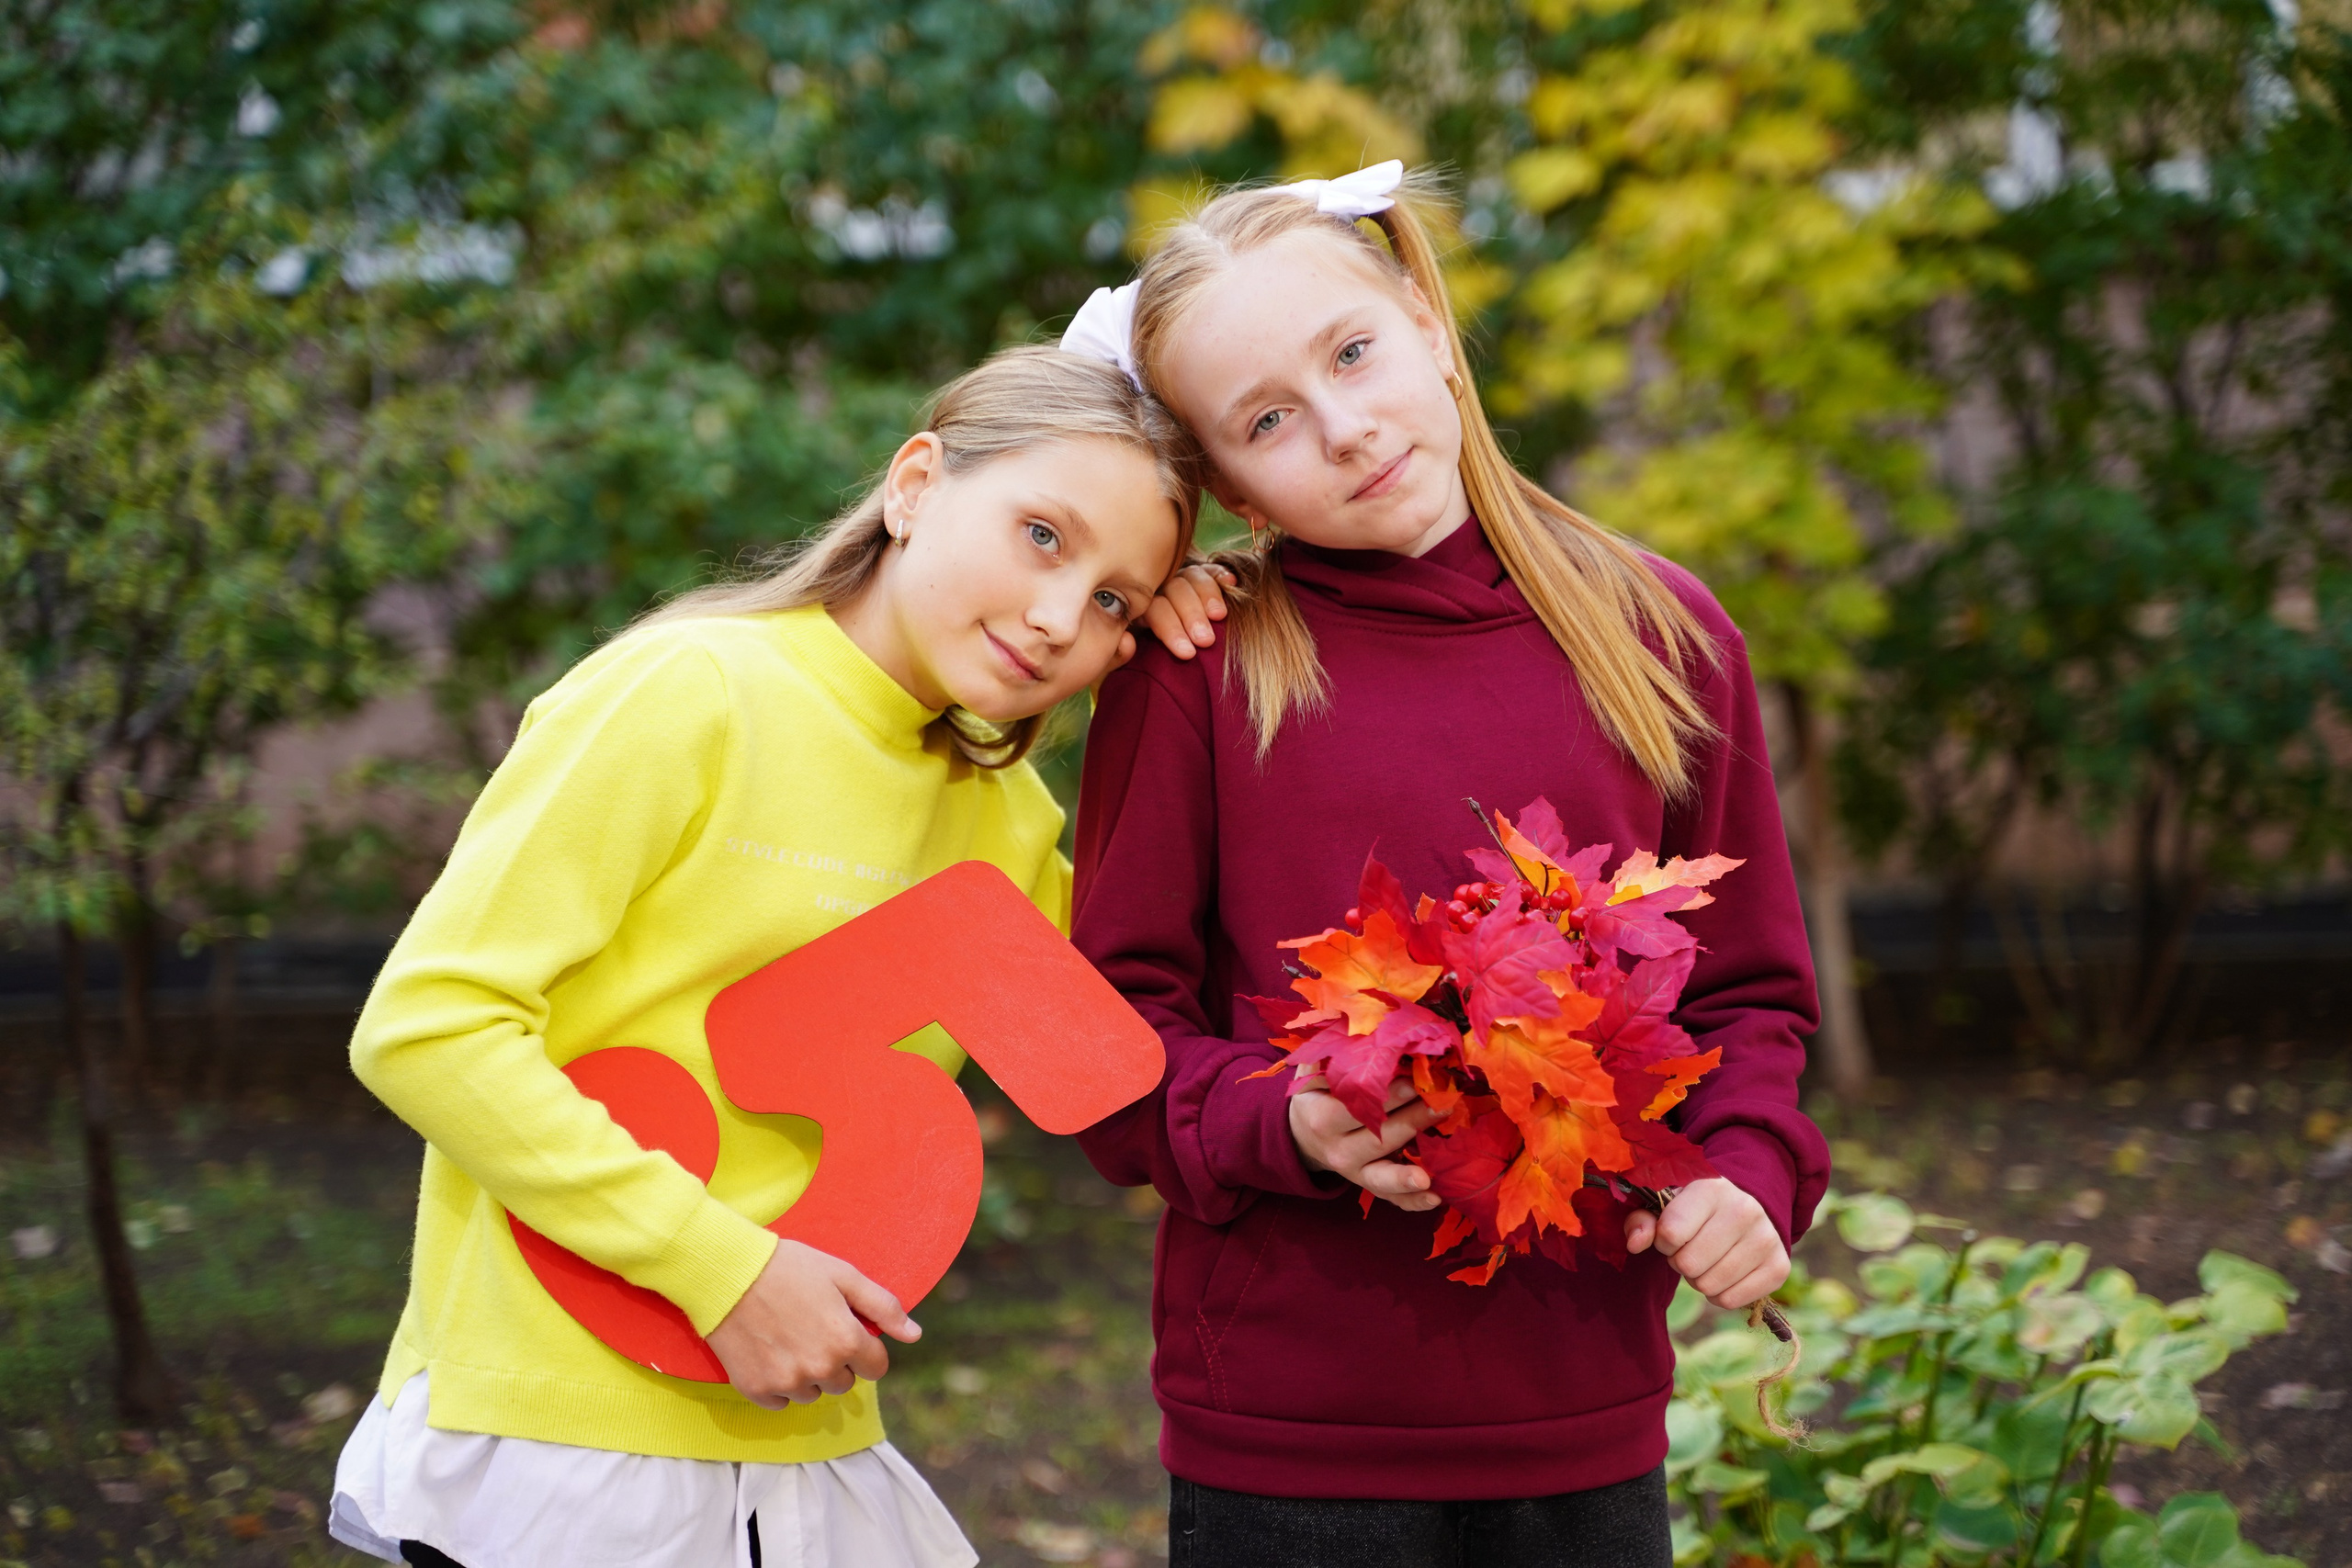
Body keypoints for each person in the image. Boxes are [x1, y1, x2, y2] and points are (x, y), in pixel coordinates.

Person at [1066, 164, 1832, 1567]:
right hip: (1291, 1430)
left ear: (1425, 317)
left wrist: (1744, 1171)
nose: (1345, 431)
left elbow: (1751, 1002)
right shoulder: (1203, 671)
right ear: (1220, 478)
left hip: (1581, 1394)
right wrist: (1276, 1124)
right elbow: (1108, 1036)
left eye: (1352, 353)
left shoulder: (1661, 634)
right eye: (1268, 422)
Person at [329, 345, 1204, 1568]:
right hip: (557, 1436)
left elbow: (1143, 1054)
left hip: (801, 1443)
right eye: (1043, 536)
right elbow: (428, 1028)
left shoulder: (1008, 824)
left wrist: (1189, 682)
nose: (1064, 617)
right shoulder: (690, 693)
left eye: (1118, 600)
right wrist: (722, 1272)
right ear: (914, 488)